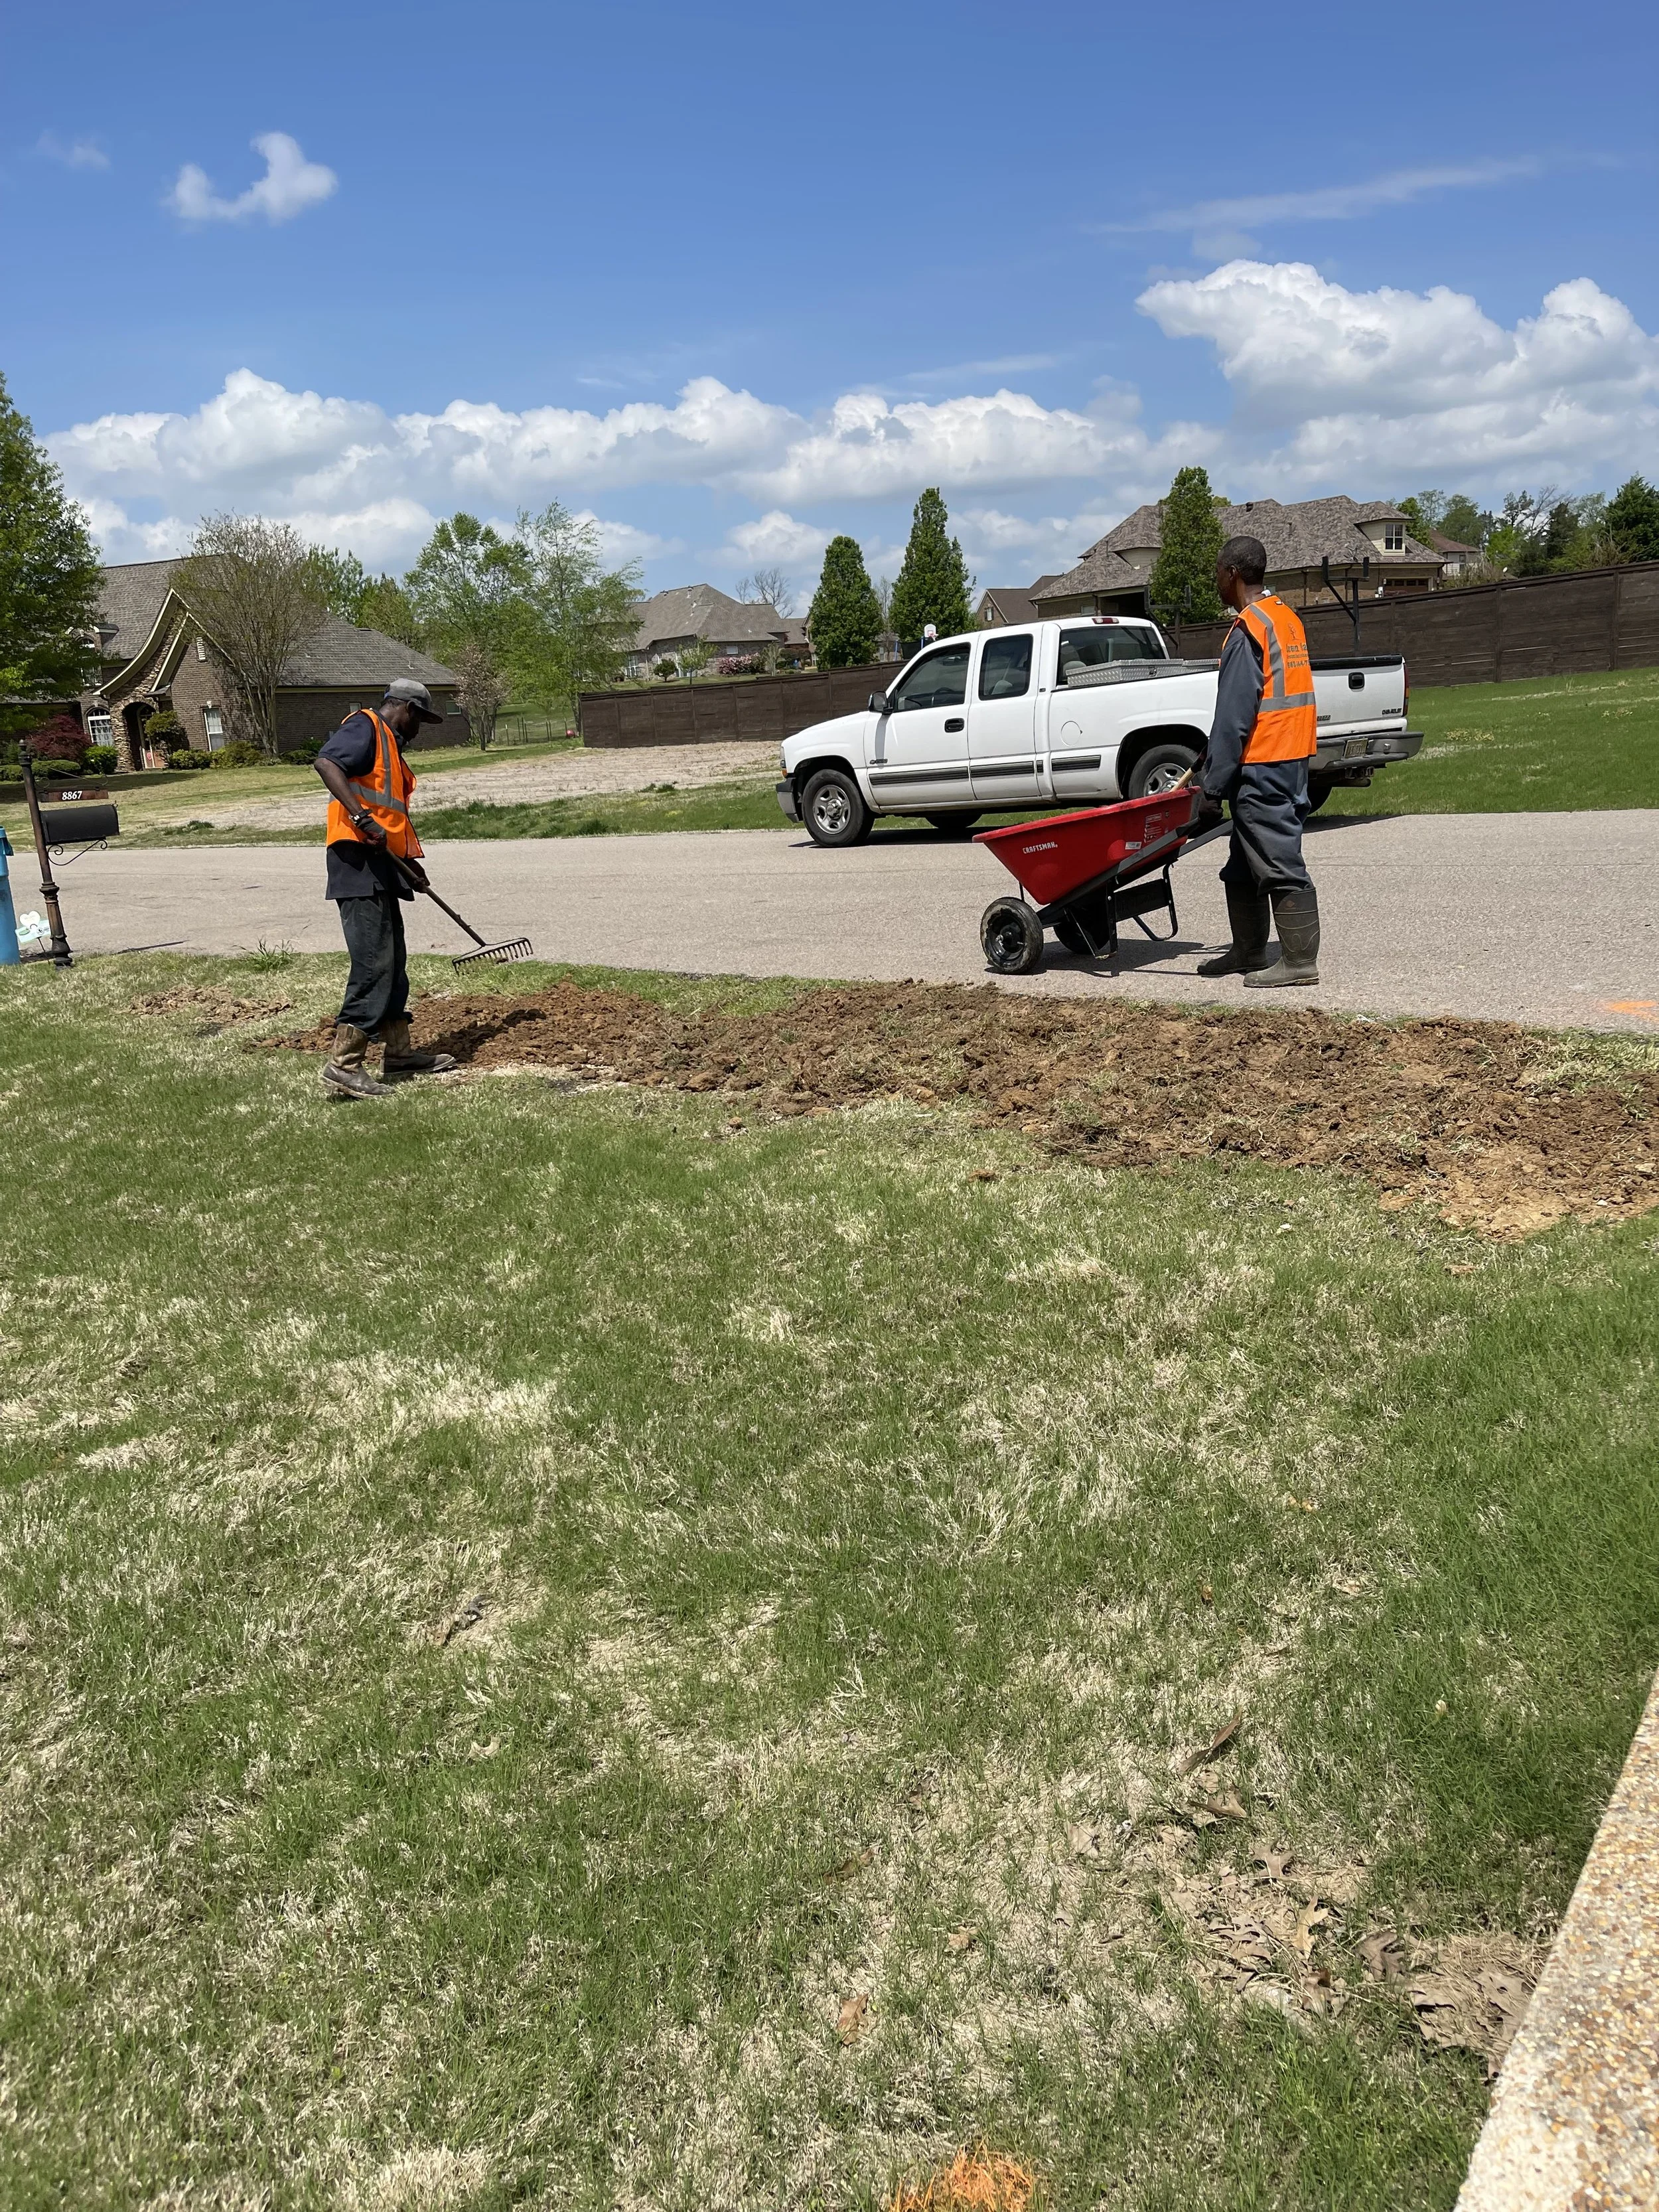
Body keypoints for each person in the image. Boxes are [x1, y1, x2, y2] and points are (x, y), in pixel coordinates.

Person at [313, 678, 459, 1098]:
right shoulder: (366, 727)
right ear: (408, 710)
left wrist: (409, 865)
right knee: (374, 963)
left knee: (393, 962)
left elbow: (388, 816)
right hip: (356, 864)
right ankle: (344, 1064)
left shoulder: (390, 747)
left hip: (383, 865)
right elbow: (326, 763)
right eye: (421, 721)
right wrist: (360, 818)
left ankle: (398, 1053)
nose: (420, 730)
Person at [1192, 536, 1321, 987]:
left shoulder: (1249, 627)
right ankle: (1248, 951)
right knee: (1244, 861)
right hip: (1291, 756)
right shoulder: (1286, 618)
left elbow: (1235, 715)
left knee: (1279, 858)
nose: (1217, 582)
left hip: (1265, 760)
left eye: (1217, 574)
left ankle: (1300, 962)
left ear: (1233, 574)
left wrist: (1211, 788)